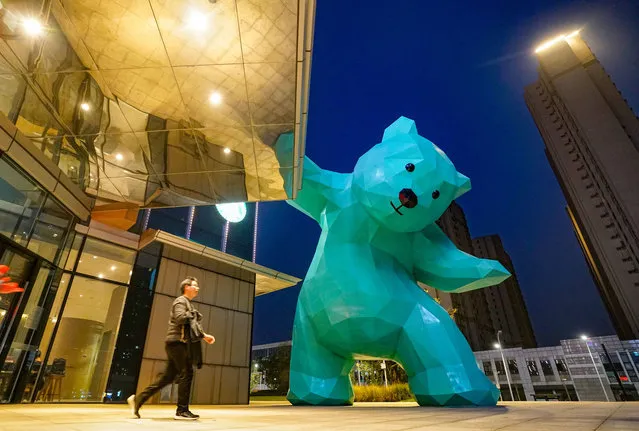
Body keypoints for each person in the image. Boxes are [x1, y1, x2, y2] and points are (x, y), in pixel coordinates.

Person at [127, 276, 215, 420]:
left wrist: (204, 336)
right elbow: (180, 318)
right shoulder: (181, 301)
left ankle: (138, 400)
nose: (197, 288)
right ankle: (182, 411)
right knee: (187, 372)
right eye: (195, 285)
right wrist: (194, 315)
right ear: (187, 287)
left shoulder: (188, 304)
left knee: (167, 378)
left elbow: (191, 325)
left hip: (176, 344)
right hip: (177, 344)